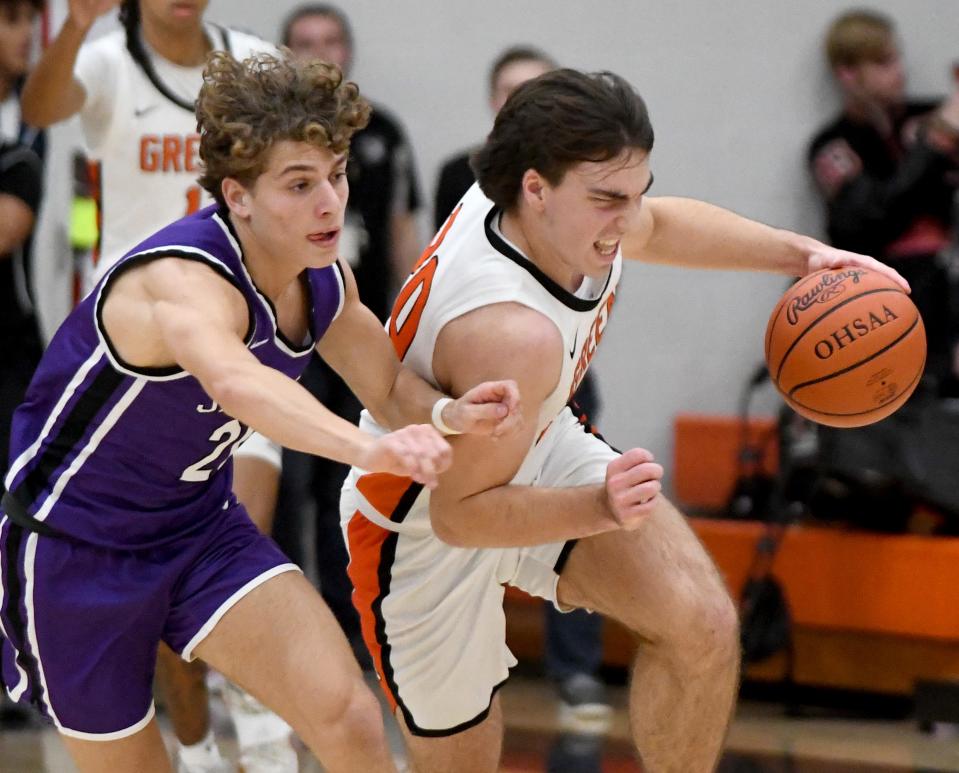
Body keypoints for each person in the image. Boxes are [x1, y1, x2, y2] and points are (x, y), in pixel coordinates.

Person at [340, 67, 909, 772]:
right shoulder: (507, 331)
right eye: (608, 199)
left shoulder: (564, 213)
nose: (627, 218)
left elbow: (661, 225)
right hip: (422, 514)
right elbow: (462, 515)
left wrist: (802, 256)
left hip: (535, 443)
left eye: (633, 192)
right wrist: (595, 504)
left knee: (700, 623)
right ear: (535, 187)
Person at [0, 49, 519, 773]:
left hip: (197, 527)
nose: (329, 202)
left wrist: (450, 416)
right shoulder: (180, 281)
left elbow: (393, 391)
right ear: (237, 195)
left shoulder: (323, 278)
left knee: (348, 715)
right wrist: (366, 450)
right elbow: (241, 385)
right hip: (75, 550)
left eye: (335, 176)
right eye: (299, 184)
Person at [21, 2, 292, 768]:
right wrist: (72, 26)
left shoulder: (254, 61)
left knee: (245, 531)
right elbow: (41, 108)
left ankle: (260, 718)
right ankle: (201, 739)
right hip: (142, 360)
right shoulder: (106, 59)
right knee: (167, 571)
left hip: (244, 332)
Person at [434, 43, 610, 727]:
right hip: (490, 375)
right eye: (510, 90)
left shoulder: (589, 190)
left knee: (584, 516)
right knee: (478, 512)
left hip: (557, 374)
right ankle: (464, 676)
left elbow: (657, 226)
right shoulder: (464, 174)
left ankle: (577, 671)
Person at [275, 2, 423, 669]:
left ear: (349, 52)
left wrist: (406, 327)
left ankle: (350, 630)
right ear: (282, 55)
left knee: (352, 478)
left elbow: (400, 228)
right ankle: (284, 632)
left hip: (354, 326)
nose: (319, 53)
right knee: (285, 482)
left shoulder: (383, 132)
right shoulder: (266, 141)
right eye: (304, 43)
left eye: (330, 41)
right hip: (286, 332)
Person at [808, 9, 959, 391]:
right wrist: (935, 144)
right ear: (848, 73)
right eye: (883, 62)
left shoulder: (924, 116)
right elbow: (868, 220)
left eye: (896, 57)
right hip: (885, 310)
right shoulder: (834, 145)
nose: (899, 71)